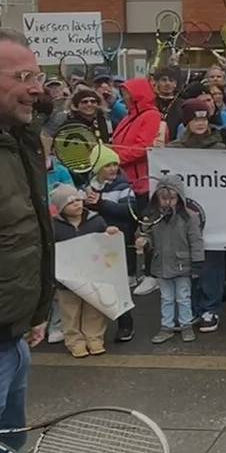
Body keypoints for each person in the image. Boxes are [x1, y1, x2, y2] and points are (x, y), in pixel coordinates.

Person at [0, 28, 66, 453]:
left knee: (6, 446)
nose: (35, 87)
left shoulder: (18, 138)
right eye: (21, 77)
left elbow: (26, 233)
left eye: (36, 74)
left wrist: (34, 310)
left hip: (11, 330)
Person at [168, 99, 226, 333]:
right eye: (195, 119)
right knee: (186, 264)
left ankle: (210, 308)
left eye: (204, 118)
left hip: (214, 217)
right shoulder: (173, 150)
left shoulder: (220, 149)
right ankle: (189, 307)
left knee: (211, 264)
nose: (200, 123)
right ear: (187, 122)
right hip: (185, 219)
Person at [50, 185, 122, 358]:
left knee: (94, 308)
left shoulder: (96, 220)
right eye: (70, 202)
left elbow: (104, 242)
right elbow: (50, 251)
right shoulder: (54, 226)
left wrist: (110, 233)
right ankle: (75, 341)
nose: (77, 204)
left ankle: (94, 338)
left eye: (78, 199)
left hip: (93, 274)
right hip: (66, 278)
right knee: (70, 311)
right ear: (61, 208)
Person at [135, 174, 204, 344]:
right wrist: (144, 241)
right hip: (161, 264)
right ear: (157, 198)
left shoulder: (189, 217)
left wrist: (197, 263)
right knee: (166, 297)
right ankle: (167, 326)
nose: (167, 202)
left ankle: (186, 325)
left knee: (183, 296)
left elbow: (196, 241)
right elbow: (145, 234)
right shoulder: (153, 216)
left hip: (182, 265)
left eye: (172, 198)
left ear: (179, 198)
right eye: (163, 199)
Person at [111, 77, 163, 296]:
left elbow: (143, 147)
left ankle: (152, 274)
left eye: (127, 92)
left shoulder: (151, 115)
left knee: (148, 230)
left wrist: (113, 157)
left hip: (144, 183)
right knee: (127, 228)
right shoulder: (129, 116)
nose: (124, 96)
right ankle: (131, 272)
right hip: (127, 182)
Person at [83, 145, 137, 343]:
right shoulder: (87, 188)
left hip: (117, 245)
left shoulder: (123, 187)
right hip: (94, 244)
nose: (113, 168)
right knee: (96, 288)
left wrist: (101, 204)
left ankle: (125, 325)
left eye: (115, 164)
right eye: (108, 165)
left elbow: (129, 211)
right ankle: (94, 331)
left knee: (118, 287)